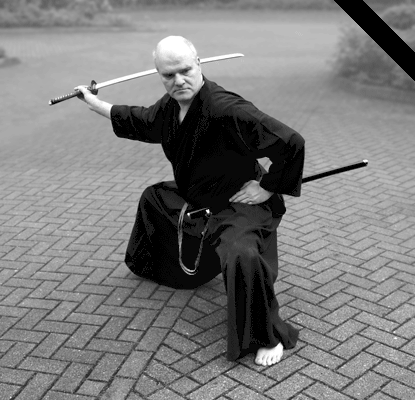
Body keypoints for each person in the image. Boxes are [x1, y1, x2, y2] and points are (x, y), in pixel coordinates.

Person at [75, 36, 305, 367]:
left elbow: (291, 142)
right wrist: (94, 102)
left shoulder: (227, 109)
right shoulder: (171, 107)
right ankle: (162, 268)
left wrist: (268, 187)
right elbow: (142, 120)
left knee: (241, 254)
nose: (178, 81)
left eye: (185, 70)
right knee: (155, 199)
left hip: (238, 202)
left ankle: (267, 336)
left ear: (199, 63)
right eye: (168, 75)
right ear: (159, 74)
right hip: (197, 194)